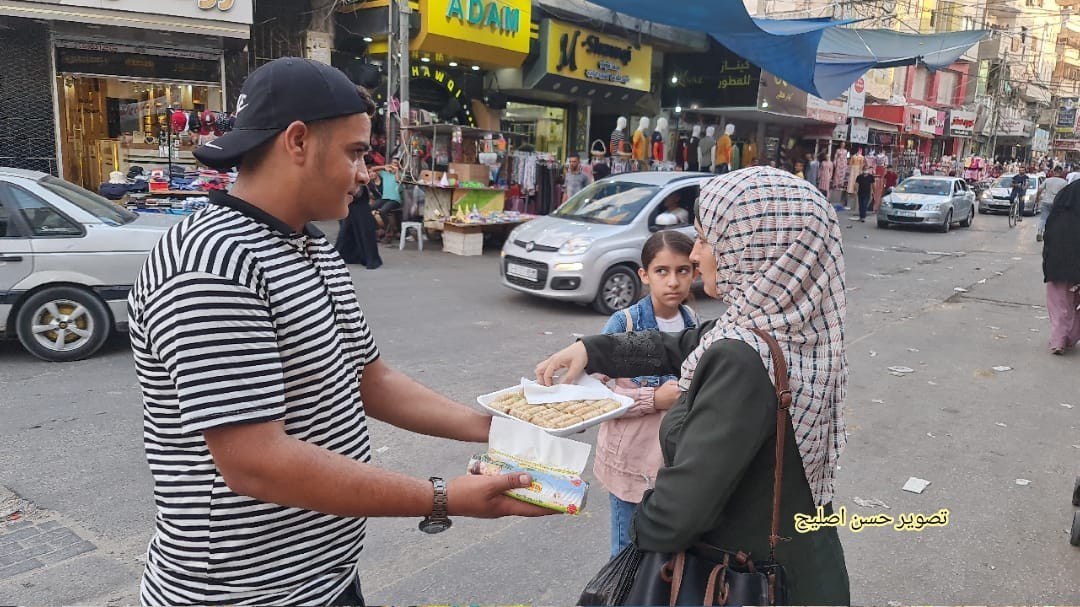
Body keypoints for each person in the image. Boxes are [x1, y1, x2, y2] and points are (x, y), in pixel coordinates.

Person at [129, 58, 552, 606]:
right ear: (298, 141)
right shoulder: (212, 262)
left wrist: (493, 428)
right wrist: (443, 497)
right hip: (241, 591)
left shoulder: (312, 248)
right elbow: (256, 461)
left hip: (323, 576)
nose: (366, 172)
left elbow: (367, 380)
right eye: (355, 152)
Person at [535, 166, 850, 604]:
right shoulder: (789, 326)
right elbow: (683, 343)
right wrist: (593, 349)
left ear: (753, 247)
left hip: (746, 583)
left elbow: (676, 518)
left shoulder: (742, 358)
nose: (697, 255)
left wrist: (629, 512)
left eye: (705, 239)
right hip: (805, 564)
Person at [593, 231, 699, 557]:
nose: (673, 282)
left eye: (683, 271)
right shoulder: (624, 324)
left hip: (673, 466)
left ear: (694, 273)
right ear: (644, 275)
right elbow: (595, 395)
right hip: (631, 463)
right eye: (662, 271)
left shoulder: (693, 322)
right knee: (627, 554)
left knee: (664, 557)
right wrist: (651, 400)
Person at [1042, 180, 1080, 355]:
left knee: (1058, 303)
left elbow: (1048, 236)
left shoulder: (1059, 214)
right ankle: (1071, 337)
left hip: (1058, 264)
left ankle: (1059, 340)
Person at [371, 158, 403, 243]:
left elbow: (397, 180)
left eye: (396, 163)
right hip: (385, 198)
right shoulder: (385, 174)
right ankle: (378, 230)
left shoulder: (401, 174)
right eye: (393, 163)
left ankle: (389, 234)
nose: (394, 165)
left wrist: (396, 171)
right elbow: (372, 169)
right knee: (368, 208)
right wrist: (384, 166)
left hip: (395, 200)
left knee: (383, 211)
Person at [1036, 166, 1068, 242]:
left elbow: (1040, 189)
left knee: (1043, 218)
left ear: (1054, 172)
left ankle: (1039, 232)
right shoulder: (1064, 182)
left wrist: (1037, 198)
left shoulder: (1048, 180)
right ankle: (1053, 234)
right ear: (1061, 172)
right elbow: (1066, 193)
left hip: (1046, 201)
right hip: (1057, 203)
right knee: (1056, 219)